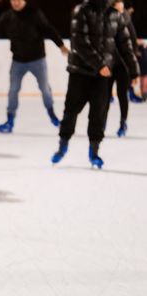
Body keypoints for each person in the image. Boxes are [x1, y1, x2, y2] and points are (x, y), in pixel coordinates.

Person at [51, 0, 139, 169]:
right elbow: (79, 42)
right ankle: (63, 145)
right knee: (71, 112)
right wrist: (100, 65)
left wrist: (134, 71)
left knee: (98, 114)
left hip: (101, 76)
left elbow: (125, 44)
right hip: (79, 72)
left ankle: (94, 151)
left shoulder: (115, 15)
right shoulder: (81, 10)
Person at [0, 0, 69, 134]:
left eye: (18, 0)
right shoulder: (7, 17)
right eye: (13, 0)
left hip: (37, 60)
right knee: (13, 90)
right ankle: (10, 121)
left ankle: (53, 116)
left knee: (45, 88)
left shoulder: (35, 14)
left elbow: (48, 29)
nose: (15, 3)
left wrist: (60, 45)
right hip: (18, 62)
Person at [105, 0, 139, 137]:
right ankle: (101, 122)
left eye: (122, 9)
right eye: (118, 9)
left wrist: (133, 69)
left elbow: (133, 43)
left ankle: (123, 123)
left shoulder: (126, 20)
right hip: (108, 66)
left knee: (122, 95)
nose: (121, 11)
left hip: (123, 66)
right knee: (105, 96)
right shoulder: (106, 20)